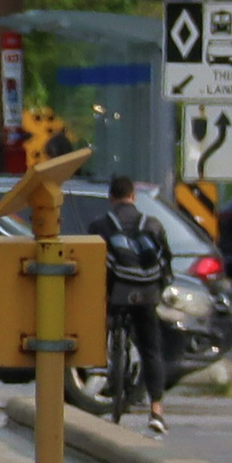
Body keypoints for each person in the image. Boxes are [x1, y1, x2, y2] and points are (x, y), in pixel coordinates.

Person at [87, 172, 175, 437]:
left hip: (116, 294)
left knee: (100, 322)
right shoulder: (153, 225)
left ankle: (100, 366)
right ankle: (157, 410)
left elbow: (93, 268)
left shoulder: (100, 226)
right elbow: (166, 268)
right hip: (147, 294)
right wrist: (158, 291)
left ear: (111, 197)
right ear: (133, 196)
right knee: (151, 347)